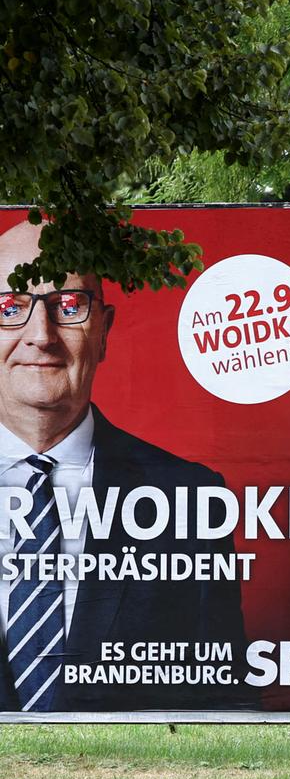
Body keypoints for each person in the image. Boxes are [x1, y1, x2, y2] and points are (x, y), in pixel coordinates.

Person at [0, 220, 250, 712]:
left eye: (69, 306)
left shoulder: (190, 499)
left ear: (104, 331)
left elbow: (224, 702)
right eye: (10, 308)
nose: (40, 335)